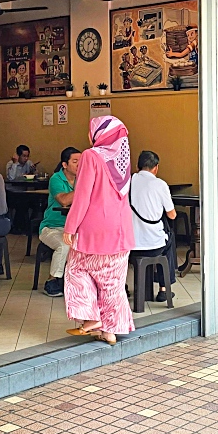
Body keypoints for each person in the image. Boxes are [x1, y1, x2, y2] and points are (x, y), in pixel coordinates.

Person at [62, 116, 136, 345]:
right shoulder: (122, 159)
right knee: (112, 283)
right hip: (121, 230)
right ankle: (110, 331)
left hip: (94, 230)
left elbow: (82, 196)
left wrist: (70, 226)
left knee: (76, 270)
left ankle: (90, 319)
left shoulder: (90, 156)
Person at [128, 150, 178, 303]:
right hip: (153, 245)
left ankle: (121, 286)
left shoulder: (128, 181)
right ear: (156, 167)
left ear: (137, 166)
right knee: (170, 240)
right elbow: (172, 215)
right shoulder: (160, 184)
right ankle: (164, 288)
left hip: (129, 245)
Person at [38, 147, 80, 297]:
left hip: (73, 228)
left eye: (81, 162)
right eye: (75, 161)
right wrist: (84, 187)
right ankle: (52, 280)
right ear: (65, 164)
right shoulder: (56, 178)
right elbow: (63, 200)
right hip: (51, 228)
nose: (79, 165)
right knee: (64, 245)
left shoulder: (81, 179)